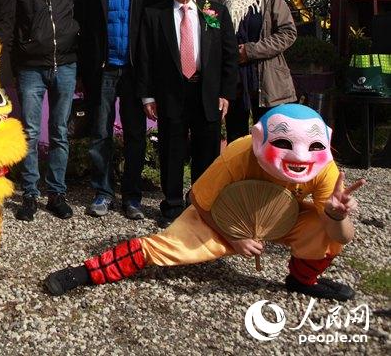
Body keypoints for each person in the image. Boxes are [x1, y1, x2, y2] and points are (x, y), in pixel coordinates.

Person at [44, 105, 366, 303]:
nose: (299, 156)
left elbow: (341, 237)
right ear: (258, 139)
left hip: (284, 217)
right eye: (283, 143)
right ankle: (87, 273)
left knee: (321, 228)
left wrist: (335, 216)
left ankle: (301, 281)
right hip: (222, 219)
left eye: (312, 146)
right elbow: (198, 198)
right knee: (163, 247)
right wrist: (235, 238)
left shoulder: (324, 170)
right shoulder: (239, 154)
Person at [75, 0, 166, 220]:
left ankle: (132, 196)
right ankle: (102, 193)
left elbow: (157, 24)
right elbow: (82, 23)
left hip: (135, 70)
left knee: (136, 134)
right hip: (103, 68)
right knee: (100, 133)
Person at [137, 0, 238, 223]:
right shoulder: (154, 14)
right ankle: (171, 206)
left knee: (207, 151)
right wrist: (148, 94)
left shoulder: (216, 12)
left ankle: (200, 204)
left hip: (207, 92)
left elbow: (229, 57)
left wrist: (226, 93)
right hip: (170, 92)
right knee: (171, 150)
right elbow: (145, 56)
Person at [11, 0, 80, 222]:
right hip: (31, 67)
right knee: (29, 131)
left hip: (64, 64)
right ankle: (29, 192)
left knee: (60, 131)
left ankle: (56, 192)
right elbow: (11, 26)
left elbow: (80, 17)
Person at [209, 0, 296, 143]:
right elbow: (209, 38)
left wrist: (250, 51)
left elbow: (288, 33)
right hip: (232, 80)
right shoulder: (215, 1)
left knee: (272, 140)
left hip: (267, 81)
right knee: (236, 139)